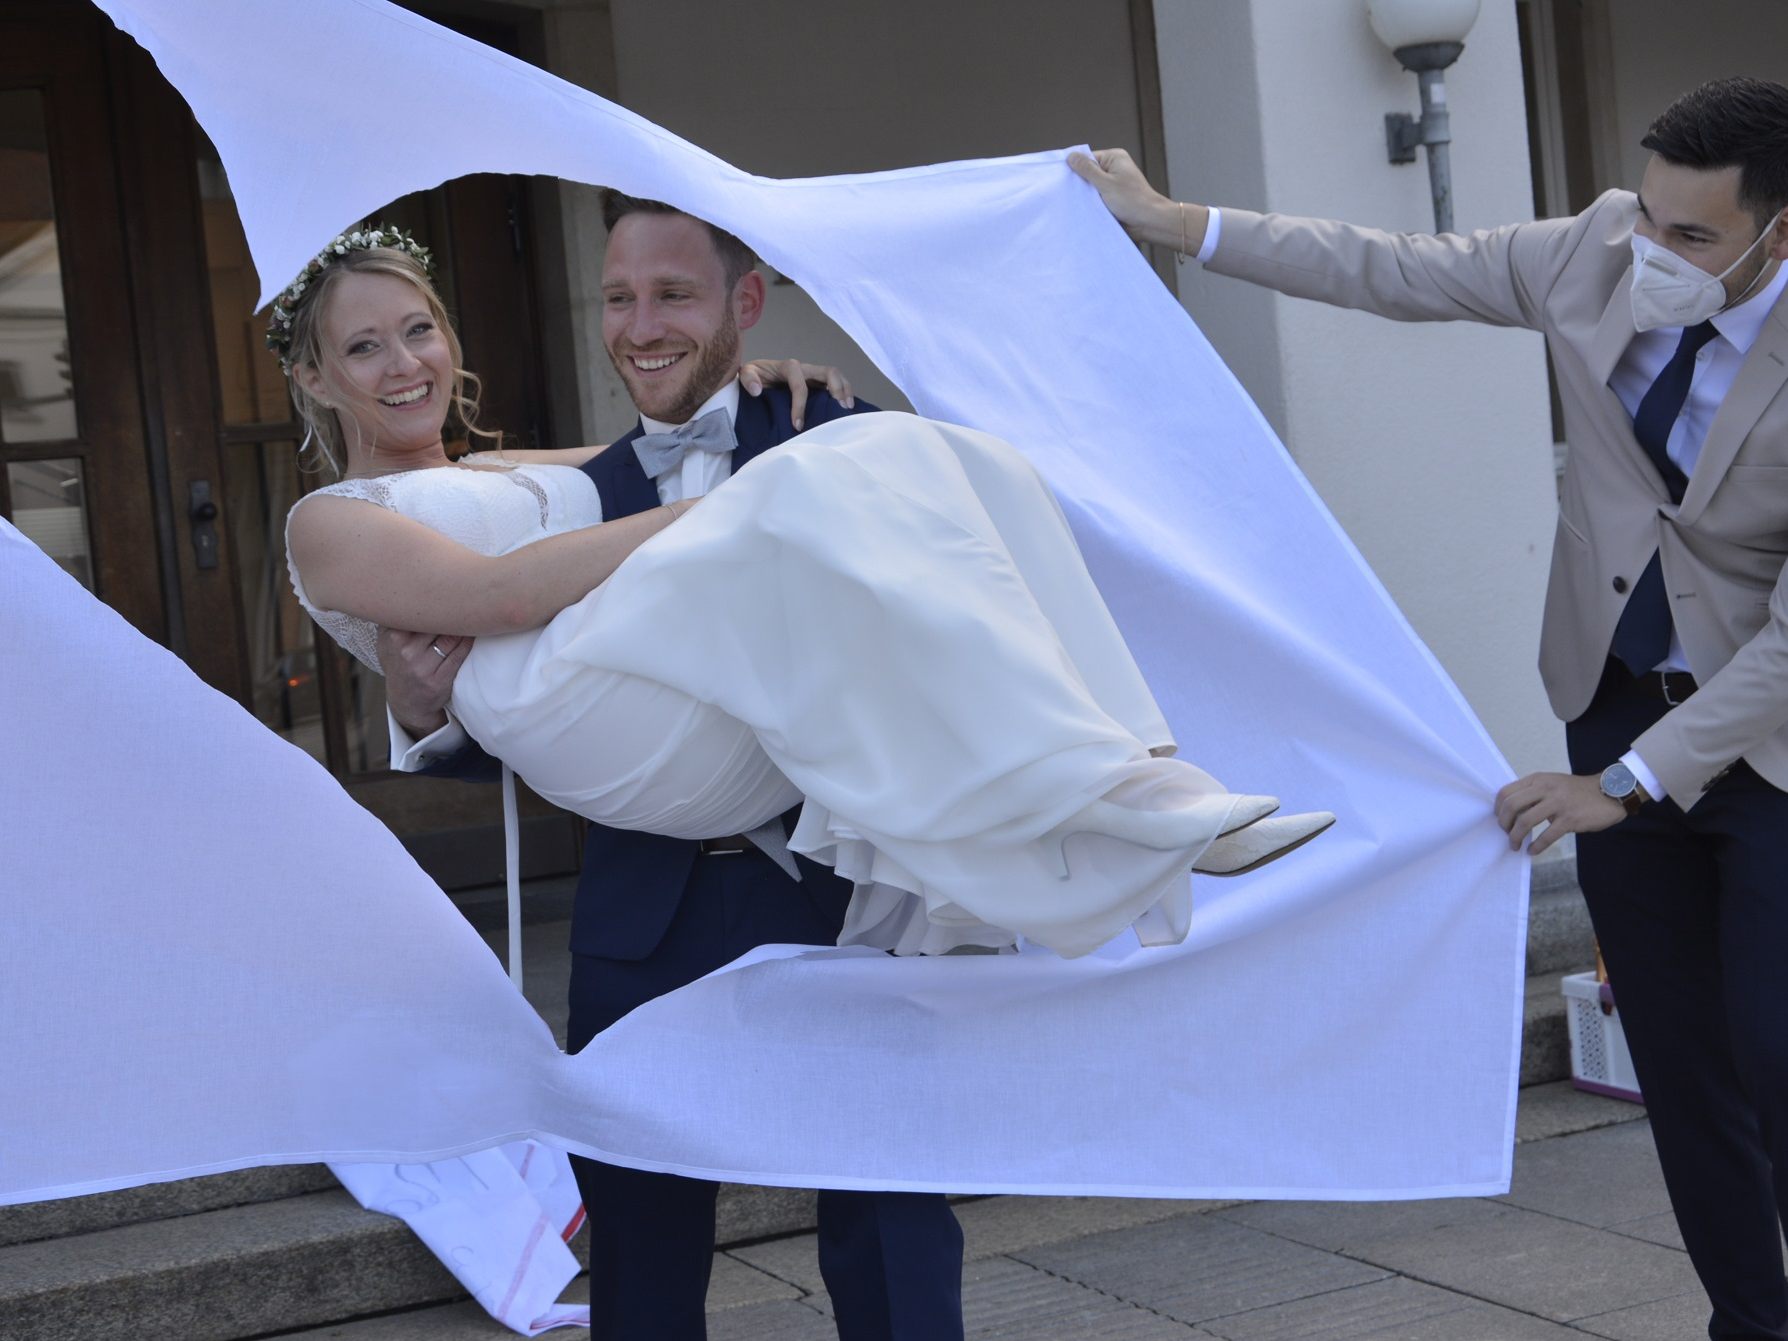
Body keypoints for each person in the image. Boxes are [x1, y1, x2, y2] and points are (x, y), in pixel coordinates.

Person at [280, 203, 1331, 1340]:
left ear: (742, 306)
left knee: (892, 1229)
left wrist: (755, 421)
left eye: (419, 330)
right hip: (648, 902)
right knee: (645, 1258)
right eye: (364, 346)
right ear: (317, 377)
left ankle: (1122, 776)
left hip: (832, 879)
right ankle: (1118, 789)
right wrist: (419, 708)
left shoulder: (710, 444)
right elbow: (530, 691)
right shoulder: (410, 516)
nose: (405, 363)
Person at [1073, 74, 1788, 1341]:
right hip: (1612, 701)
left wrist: (1619, 788)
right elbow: (1387, 264)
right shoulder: (1592, 251)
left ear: (1778, 236)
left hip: (1770, 743)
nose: (1653, 255)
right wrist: (1175, 222)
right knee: (1682, 1068)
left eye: (1693, 239)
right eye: (1648, 222)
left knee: (1777, 1053)